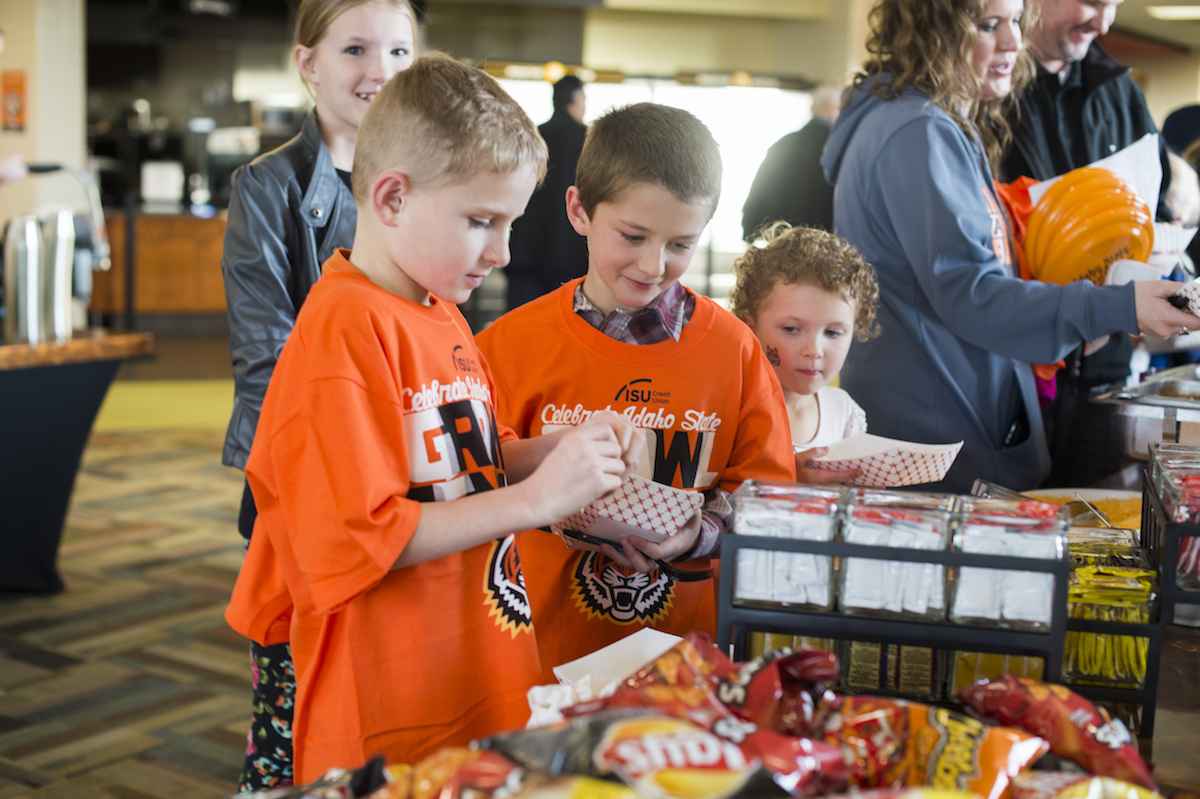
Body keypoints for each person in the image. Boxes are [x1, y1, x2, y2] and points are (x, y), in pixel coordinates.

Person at [225, 54, 644, 782]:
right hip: (385, 694)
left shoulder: (437, 307)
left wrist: (557, 454)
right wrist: (537, 499)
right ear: (390, 198)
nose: (503, 251)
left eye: (509, 222)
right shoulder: (344, 332)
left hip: (466, 661)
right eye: (481, 221)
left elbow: (458, 459)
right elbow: (360, 538)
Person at [820, 0, 1196, 493]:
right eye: (987, 25)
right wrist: (1113, 306)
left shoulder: (931, 122)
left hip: (948, 431)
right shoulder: (919, 130)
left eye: (1015, 21)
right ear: (933, 33)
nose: (1012, 42)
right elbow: (973, 293)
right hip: (942, 446)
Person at [476, 103, 795, 683]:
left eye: (681, 244)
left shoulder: (735, 352)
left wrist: (699, 533)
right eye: (633, 236)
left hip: (685, 663)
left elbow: (770, 496)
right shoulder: (508, 346)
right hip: (534, 652)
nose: (654, 265)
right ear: (579, 210)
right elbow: (472, 480)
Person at [219, 0, 416, 789]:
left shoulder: (422, 183)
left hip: (402, 479)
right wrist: (357, 467)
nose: (382, 71)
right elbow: (266, 360)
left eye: (401, 51)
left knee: (384, 688)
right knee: (295, 686)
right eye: (357, 49)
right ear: (308, 64)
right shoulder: (267, 188)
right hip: (306, 479)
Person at [999, 0, 1172, 488]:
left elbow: (1157, 209)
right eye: (1093, 2)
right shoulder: (990, 86)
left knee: (1093, 528)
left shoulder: (1120, 90)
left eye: (1114, 4)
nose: (1105, 21)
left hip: (1104, 370)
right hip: (1017, 365)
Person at [727, 223, 879, 481]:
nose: (814, 351)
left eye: (833, 333)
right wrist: (787, 478)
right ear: (750, 327)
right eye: (791, 328)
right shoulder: (732, 409)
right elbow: (714, 503)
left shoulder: (845, 413)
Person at [504, 75, 589, 309]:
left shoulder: (533, 136)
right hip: (570, 258)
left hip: (525, 254)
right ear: (576, 99)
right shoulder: (588, 141)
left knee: (519, 329)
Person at [741, 85, 842, 240]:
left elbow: (756, 203)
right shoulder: (839, 148)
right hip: (826, 248)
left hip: (783, 247)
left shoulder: (783, 144)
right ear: (829, 106)